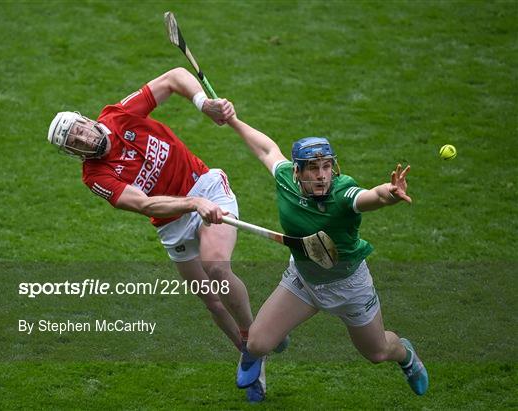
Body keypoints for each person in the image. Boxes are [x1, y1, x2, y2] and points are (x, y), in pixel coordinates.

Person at [46, 67, 268, 402]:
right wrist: (191, 205)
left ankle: (255, 342)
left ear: (86, 120)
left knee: (217, 270)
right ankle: (255, 355)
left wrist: (202, 103)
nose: (83, 138)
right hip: (171, 220)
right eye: (74, 142)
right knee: (211, 300)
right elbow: (146, 205)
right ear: (74, 153)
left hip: (205, 185)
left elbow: (174, 77)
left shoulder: (118, 114)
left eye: (79, 129)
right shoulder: (95, 176)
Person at [227, 114, 429, 398]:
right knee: (257, 344)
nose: (322, 175)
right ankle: (273, 338)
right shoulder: (286, 179)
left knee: (378, 352)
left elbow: (371, 196)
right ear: (298, 171)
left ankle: (406, 355)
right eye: (313, 169)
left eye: (326, 167)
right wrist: (232, 120)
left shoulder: (343, 192)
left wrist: (390, 194)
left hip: (349, 287)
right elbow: (267, 149)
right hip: (304, 280)